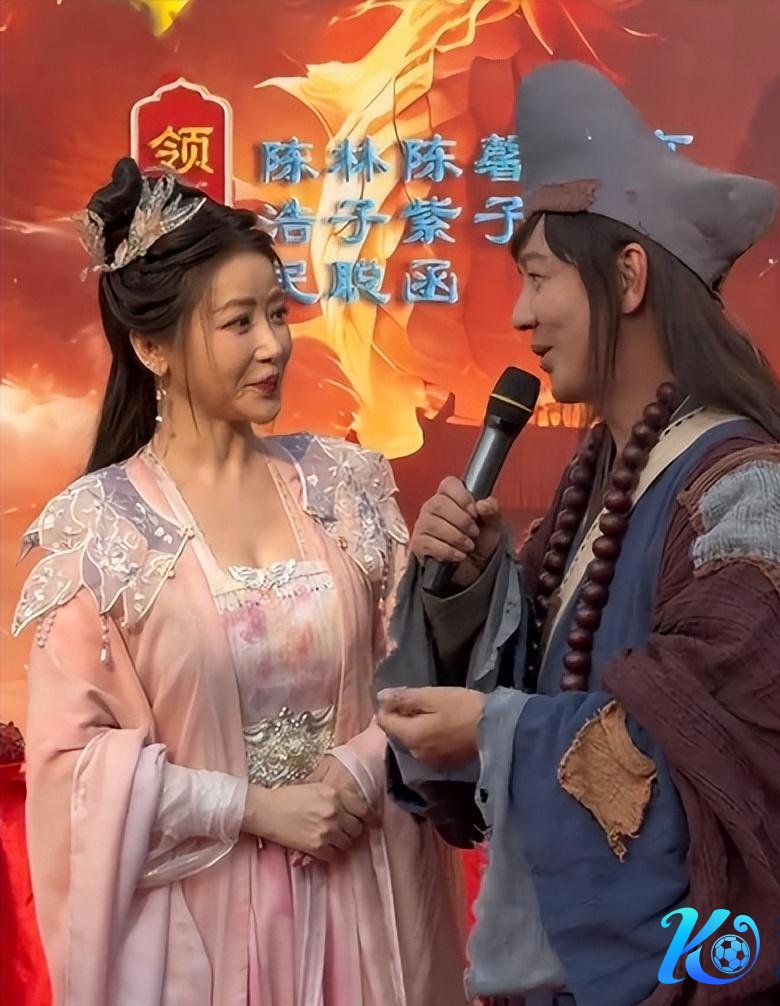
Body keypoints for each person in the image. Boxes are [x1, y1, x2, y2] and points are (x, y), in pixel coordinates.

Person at [376, 61, 780, 1006]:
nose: (520, 315)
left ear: (629, 276)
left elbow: (734, 748)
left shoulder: (737, 486)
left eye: (538, 278)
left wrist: (492, 732)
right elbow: (555, 678)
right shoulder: (602, 480)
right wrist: (473, 591)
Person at [13, 158, 468, 1006]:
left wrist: (356, 772)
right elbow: (73, 766)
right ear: (152, 348)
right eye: (238, 322)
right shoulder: (101, 532)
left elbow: (422, 672)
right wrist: (250, 807)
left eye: (278, 313)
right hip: (203, 926)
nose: (273, 345)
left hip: (361, 887)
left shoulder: (345, 486)